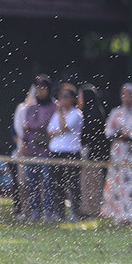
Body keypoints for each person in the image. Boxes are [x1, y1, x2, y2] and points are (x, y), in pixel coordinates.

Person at [101, 83, 132, 227]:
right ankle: (119, 213)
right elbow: (108, 130)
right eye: (124, 95)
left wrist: (127, 135)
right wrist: (119, 134)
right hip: (118, 154)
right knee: (117, 182)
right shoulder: (116, 113)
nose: (127, 98)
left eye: (130, 95)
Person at [22, 74, 58, 220]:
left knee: (48, 182)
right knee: (32, 182)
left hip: (46, 149)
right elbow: (26, 126)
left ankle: (49, 211)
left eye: (43, 88)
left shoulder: (54, 106)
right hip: (31, 149)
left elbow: (44, 124)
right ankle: (35, 210)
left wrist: (32, 127)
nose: (40, 91)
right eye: (38, 88)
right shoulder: (31, 106)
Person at [46, 83, 83, 221]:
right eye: (61, 97)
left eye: (66, 97)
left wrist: (60, 112)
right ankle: (59, 213)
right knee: (57, 184)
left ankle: (74, 213)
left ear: (73, 98)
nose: (62, 99)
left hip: (71, 152)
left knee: (73, 184)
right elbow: (50, 132)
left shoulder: (76, 114)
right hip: (56, 152)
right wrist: (59, 130)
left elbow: (64, 127)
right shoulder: (57, 114)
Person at [78, 83, 109, 217]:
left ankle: (93, 210)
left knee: (93, 182)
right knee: (85, 182)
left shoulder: (95, 113)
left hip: (94, 154)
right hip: (87, 153)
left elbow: (89, 133)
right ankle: (85, 209)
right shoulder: (84, 112)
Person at [10, 85, 35, 219]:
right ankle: (21, 210)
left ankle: (35, 211)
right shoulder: (22, 108)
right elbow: (16, 131)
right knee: (21, 183)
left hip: (37, 151)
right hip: (22, 151)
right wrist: (22, 145)